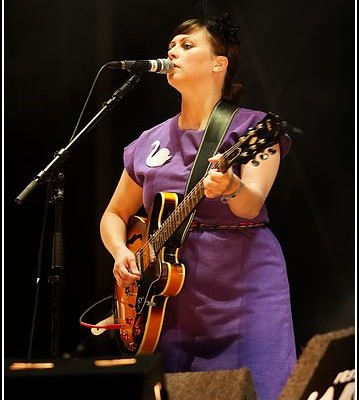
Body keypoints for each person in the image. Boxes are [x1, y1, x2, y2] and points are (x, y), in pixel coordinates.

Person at [99, 14, 297, 400]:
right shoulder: (149, 140)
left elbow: (249, 205)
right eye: (171, 45)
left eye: (187, 45)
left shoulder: (255, 129)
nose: (173, 51)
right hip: (172, 302)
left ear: (218, 63)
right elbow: (113, 215)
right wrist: (122, 252)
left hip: (245, 290)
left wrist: (231, 185)